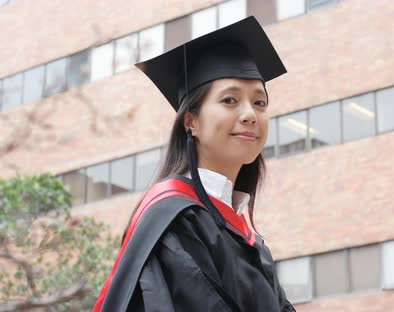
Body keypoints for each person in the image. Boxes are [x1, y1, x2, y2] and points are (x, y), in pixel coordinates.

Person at [93, 16, 295, 312]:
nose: (250, 114)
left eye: (260, 103)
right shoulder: (174, 218)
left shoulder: (246, 236)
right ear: (191, 122)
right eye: (229, 100)